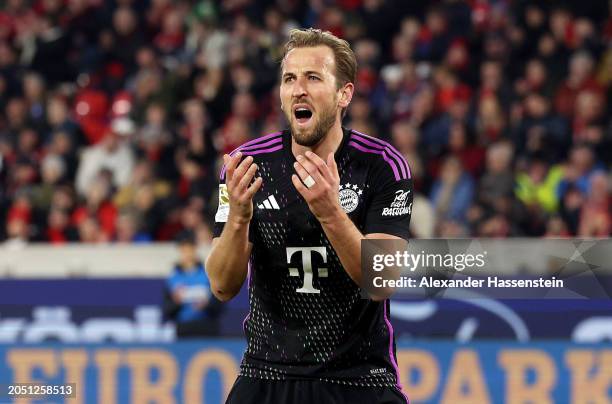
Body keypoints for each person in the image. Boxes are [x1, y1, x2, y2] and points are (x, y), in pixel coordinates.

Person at [206, 28, 412, 404]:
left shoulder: (382, 166)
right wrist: (237, 218)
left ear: (343, 94)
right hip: (267, 374)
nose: (298, 89)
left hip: (359, 380)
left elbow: (381, 280)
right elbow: (221, 286)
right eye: (289, 79)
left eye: (313, 77)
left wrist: (330, 211)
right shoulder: (247, 166)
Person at [164, 230, 221, 337]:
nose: (187, 253)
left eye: (190, 249)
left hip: (206, 327)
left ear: (195, 249)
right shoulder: (172, 277)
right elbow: (167, 310)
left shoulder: (208, 273)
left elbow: (219, 303)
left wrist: (206, 305)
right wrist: (176, 302)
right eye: (184, 249)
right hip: (183, 328)